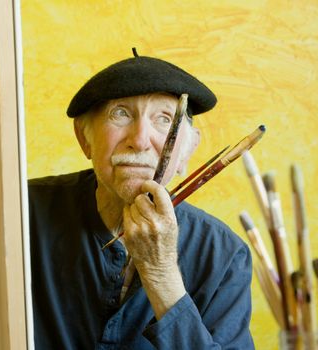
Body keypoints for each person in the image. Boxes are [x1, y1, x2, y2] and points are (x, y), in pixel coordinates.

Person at [28, 49, 254, 349]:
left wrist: (161, 273)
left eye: (164, 119)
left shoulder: (224, 255)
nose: (140, 139)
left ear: (188, 150)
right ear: (85, 138)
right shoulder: (22, 211)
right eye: (120, 113)